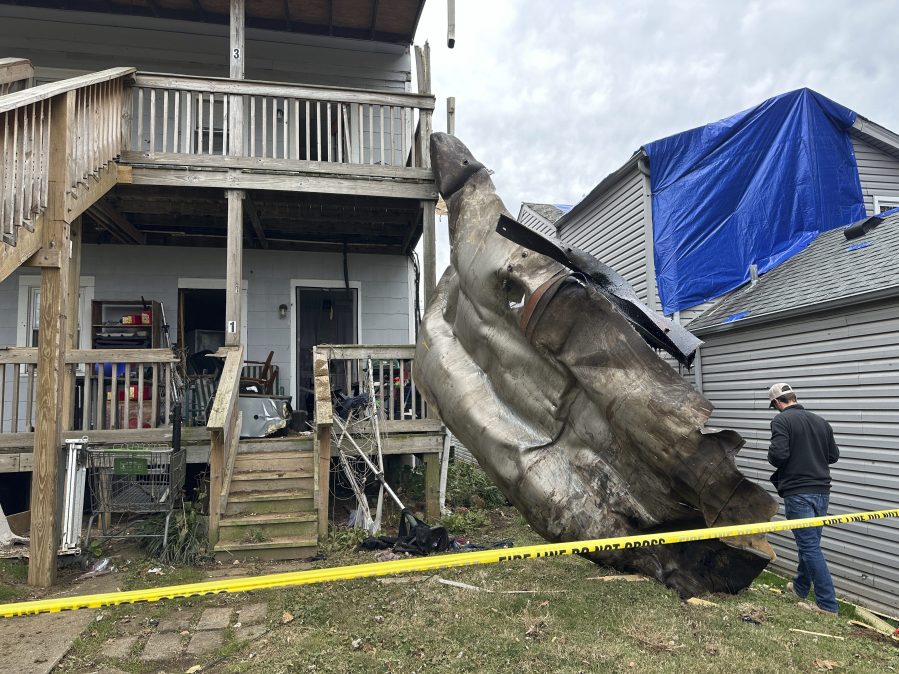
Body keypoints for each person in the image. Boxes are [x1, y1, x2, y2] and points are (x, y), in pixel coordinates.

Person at [767, 382, 840, 614]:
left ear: (778, 402)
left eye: (774, 405)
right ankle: (800, 587)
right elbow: (833, 456)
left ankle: (827, 605)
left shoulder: (781, 420)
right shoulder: (821, 422)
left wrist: (772, 453)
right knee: (810, 545)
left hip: (798, 492)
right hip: (822, 492)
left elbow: (778, 456)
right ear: (794, 397)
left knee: (809, 548)